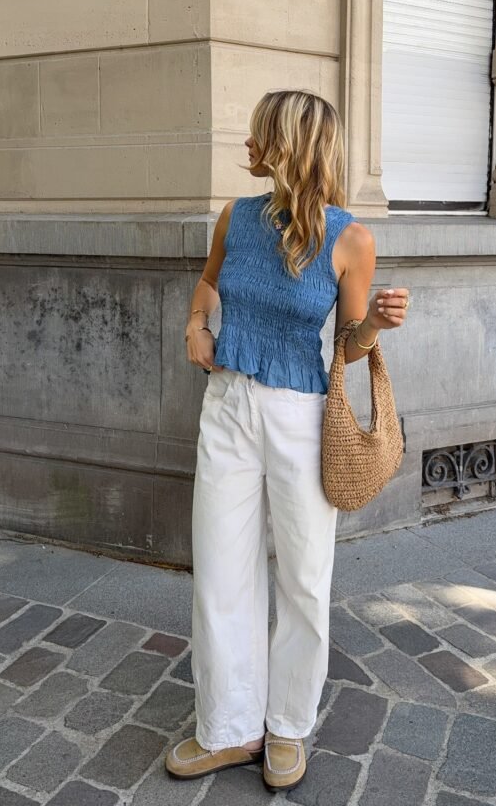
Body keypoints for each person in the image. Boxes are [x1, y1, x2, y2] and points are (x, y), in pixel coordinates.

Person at [165, 90, 409, 792]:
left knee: (302, 577)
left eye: (261, 131)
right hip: (229, 404)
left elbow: (350, 345)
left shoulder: (349, 238)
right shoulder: (235, 219)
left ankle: (288, 725)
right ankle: (228, 727)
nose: (249, 141)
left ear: (291, 144)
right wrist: (195, 325)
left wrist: (380, 326)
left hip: (301, 416)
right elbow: (208, 285)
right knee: (220, 570)